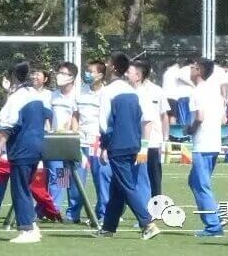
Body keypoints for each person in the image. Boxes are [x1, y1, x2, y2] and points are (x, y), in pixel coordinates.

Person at [96, 53, 161, 241]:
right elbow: (143, 120)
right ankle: (109, 227)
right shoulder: (133, 92)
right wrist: (142, 146)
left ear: (114, 68)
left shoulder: (108, 91)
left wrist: (104, 146)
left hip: (118, 146)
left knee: (126, 185)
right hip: (134, 144)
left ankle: (147, 223)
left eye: (108, 63)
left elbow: (104, 123)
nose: (106, 66)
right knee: (117, 187)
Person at [0, 61, 51, 244]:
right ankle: (32, 225)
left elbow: (7, 123)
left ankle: (27, 228)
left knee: (19, 188)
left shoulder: (17, 97)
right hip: (38, 146)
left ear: (13, 77)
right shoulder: (38, 95)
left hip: (22, 147)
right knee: (25, 186)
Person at [185, 58, 225, 238]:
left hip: (202, 143)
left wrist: (189, 129)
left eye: (193, 67)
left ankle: (213, 226)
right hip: (214, 142)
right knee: (195, 181)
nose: (190, 70)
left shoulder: (198, 92)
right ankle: (212, 220)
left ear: (199, 71)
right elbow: (223, 119)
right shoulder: (215, 92)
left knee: (201, 185)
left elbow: (200, 117)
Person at [69, 59, 111, 223]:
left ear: (100, 75)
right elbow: (75, 115)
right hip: (81, 142)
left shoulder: (106, 94)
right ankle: (73, 213)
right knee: (75, 179)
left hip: (98, 142)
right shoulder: (80, 92)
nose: (87, 74)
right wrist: (74, 134)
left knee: (101, 178)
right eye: (87, 70)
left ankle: (103, 213)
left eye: (91, 71)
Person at [129, 58, 169, 198]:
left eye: (130, 71)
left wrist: (165, 139)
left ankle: (154, 207)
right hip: (81, 144)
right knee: (63, 177)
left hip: (151, 141)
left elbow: (162, 116)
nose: (127, 74)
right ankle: (64, 210)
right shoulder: (121, 91)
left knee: (153, 177)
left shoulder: (155, 91)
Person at [47, 61, 78, 213]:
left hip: (72, 141)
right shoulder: (53, 95)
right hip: (55, 141)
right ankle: (54, 209)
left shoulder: (77, 95)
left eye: (64, 73)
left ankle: (73, 212)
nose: (60, 76)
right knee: (57, 174)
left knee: (72, 177)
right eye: (59, 73)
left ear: (72, 77)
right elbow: (48, 117)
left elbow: (77, 117)